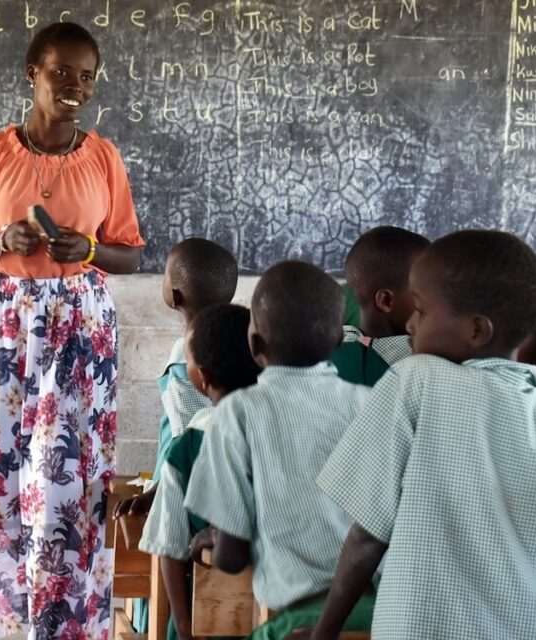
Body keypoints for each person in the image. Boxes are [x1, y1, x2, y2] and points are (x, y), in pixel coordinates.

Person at [0, 22, 145, 640]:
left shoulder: (103, 158)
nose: (75, 86)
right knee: (2, 471)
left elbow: (130, 255)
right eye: (62, 73)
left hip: (82, 327)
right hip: (9, 325)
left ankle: (70, 623)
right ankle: (13, 621)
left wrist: (90, 249)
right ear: (33, 74)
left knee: (70, 477)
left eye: (87, 77)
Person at [308, 230, 536, 639]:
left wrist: (324, 633)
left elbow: (366, 538)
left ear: (477, 331)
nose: (410, 323)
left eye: (423, 312)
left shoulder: (415, 380)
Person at [184, 261, 374, 640]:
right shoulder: (372, 403)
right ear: (339, 340)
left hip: (299, 623)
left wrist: (221, 537)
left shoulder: (238, 413)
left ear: (254, 344)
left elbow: (233, 560)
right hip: (385, 616)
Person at [114, 237, 238, 633]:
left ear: (174, 294)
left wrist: (160, 489)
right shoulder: (239, 344)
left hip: (187, 494)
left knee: (162, 579)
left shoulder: (187, 361)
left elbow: (193, 435)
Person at [138, 304, 262, 640]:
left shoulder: (188, 446)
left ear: (202, 376)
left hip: (207, 619)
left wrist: (185, 627)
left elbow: (169, 546)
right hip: (276, 616)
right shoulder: (281, 431)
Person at [330, 226, 429, 386]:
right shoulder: (422, 363)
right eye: (426, 290)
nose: (436, 301)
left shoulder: (326, 350)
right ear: (386, 301)